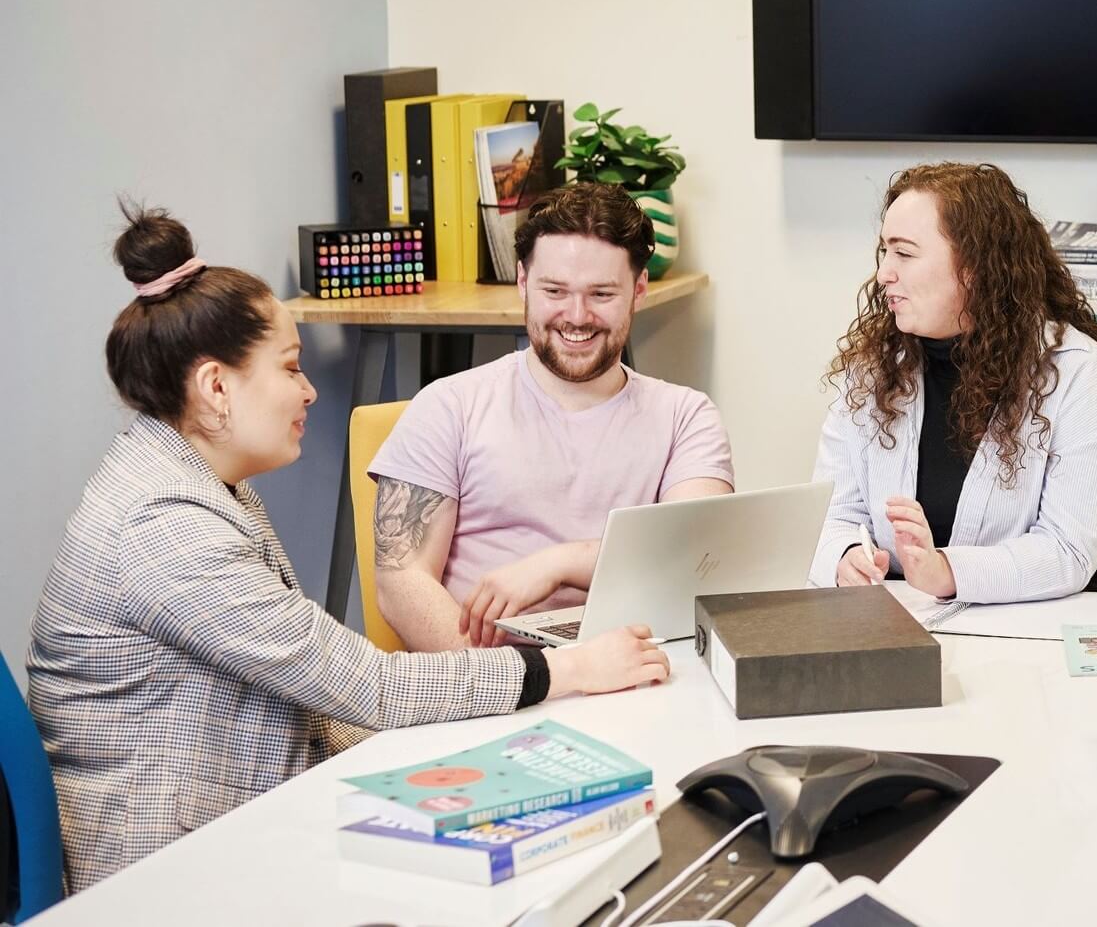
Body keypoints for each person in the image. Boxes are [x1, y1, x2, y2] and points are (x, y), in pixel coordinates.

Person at [26, 204, 670, 891]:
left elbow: (324, 692)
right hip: (167, 867)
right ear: (216, 386)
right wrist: (564, 669)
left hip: (242, 807)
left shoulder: (200, 484)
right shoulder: (164, 527)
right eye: (291, 367)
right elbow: (365, 684)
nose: (308, 391)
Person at [370, 182, 734, 651]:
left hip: (639, 680)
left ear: (638, 291)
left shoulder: (687, 417)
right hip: (488, 688)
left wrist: (559, 563)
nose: (576, 316)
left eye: (601, 294)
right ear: (523, 282)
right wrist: (524, 683)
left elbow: (699, 559)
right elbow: (400, 585)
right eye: (555, 290)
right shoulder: (449, 406)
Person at [809, 162, 1097, 602]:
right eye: (884, 252)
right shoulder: (873, 370)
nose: (884, 274)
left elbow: (1067, 551)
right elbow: (833, 513)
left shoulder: (1081, 375)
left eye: (904, 253)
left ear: (977, 267)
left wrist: (947, 571)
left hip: (1059, 614)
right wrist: (846, 556)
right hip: (912, 613)